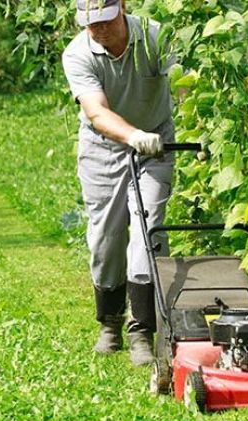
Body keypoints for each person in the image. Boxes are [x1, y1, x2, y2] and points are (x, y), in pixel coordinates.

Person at [62, 0, 176, 365]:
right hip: (103, 147)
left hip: (155, 144)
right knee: (106, 238)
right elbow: (96, 112)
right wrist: (131, 135)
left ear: (122, 8)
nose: (99, 29)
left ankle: (142, 331)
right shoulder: (78, 54)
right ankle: (109, 323)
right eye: (90, 23)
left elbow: (186, 83)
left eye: (105, 20)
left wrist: (201, 127)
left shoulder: (155, 36)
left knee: (148, 229)